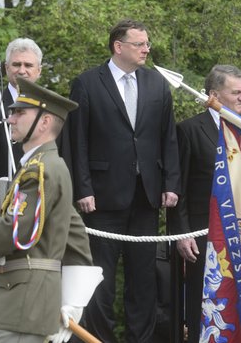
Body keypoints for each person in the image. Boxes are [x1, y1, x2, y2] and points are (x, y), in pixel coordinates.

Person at [0, 77, 98, 343]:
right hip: (24, 299)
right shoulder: (43, 167)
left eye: (20, 112)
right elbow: (75, 235)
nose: (10, 118)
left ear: (44, 122)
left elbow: (15, 232)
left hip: (24, 303)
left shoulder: (40, 170)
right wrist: (73, 300)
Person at [68, 19, 180, 343]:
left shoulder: (157, 85)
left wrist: (170, 183)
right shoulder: (87, 83)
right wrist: (83, 188)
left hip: (147, 198)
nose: (147, 49)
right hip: (101, 199)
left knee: (143, 281)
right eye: (140, 44)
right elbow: (78, 142)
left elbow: (167, 138)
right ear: (119, 47)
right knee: (100, 282)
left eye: (147, 43)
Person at [167, 65, 241, 342]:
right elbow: (179, 187)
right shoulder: (189, 130)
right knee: (203, 304)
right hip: (202, 235)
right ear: (214, 94)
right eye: (235, 92)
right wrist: (182, 232)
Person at [0, 38, 42, 206]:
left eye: (28, 65)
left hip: (41, 201)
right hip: (0, 200)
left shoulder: (52, 108)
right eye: (16, 64)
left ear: (39, 70)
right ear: (6, 68)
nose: (22, 70)